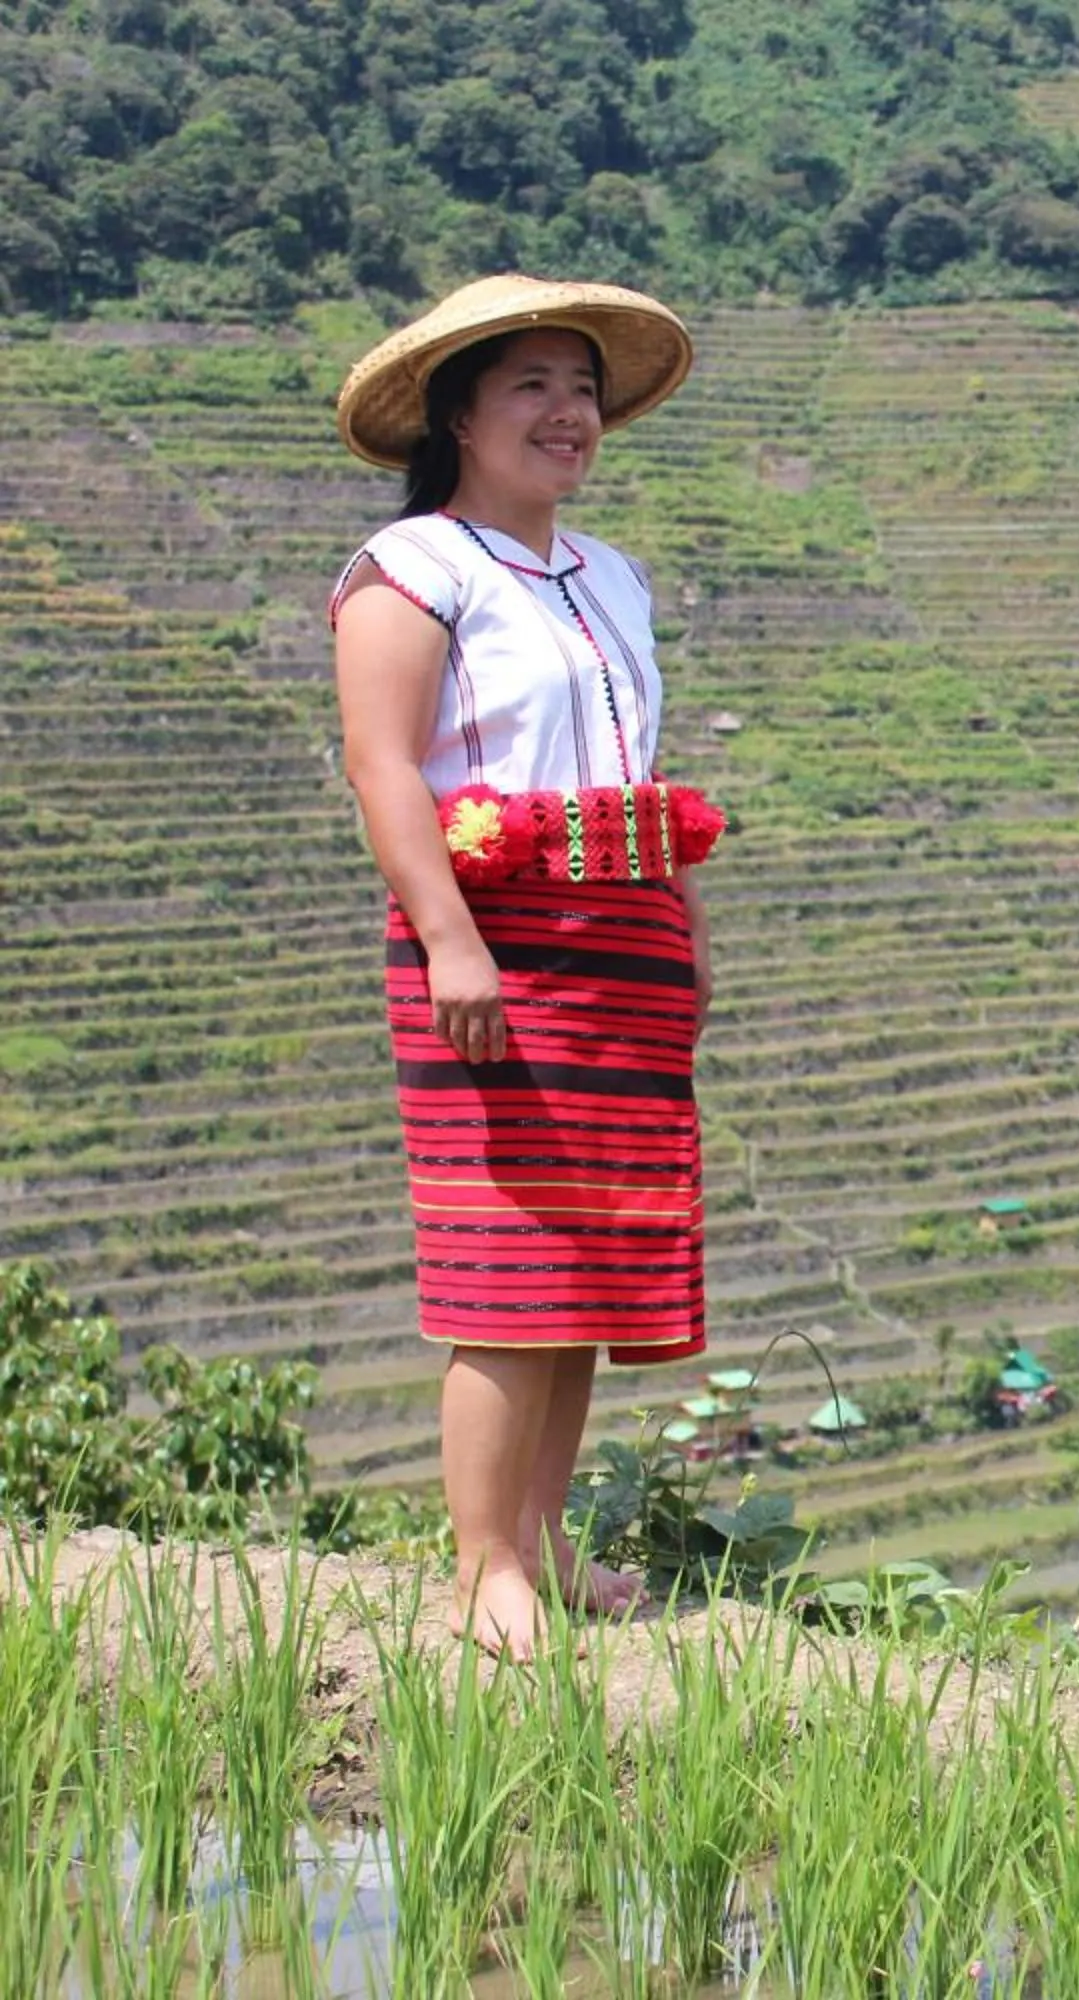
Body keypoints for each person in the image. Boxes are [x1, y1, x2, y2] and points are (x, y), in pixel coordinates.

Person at [328, 276, 724, 1661]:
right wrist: (449, 938)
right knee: (507, 1265)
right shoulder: (410, 574)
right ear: (458, 417)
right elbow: (384, 766)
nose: (569, 414)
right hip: (494, 941)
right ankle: (483, 1566)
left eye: (581, 389)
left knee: (590, 1266)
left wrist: (686, 934)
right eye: (532, 389)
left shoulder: (612, 575)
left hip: (623, 941)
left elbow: (641, 776)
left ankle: (547, 1540)